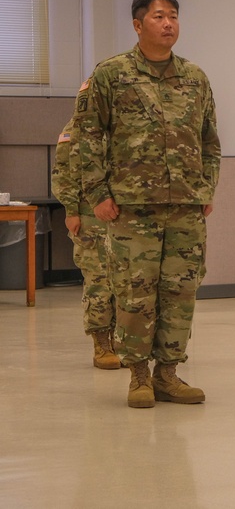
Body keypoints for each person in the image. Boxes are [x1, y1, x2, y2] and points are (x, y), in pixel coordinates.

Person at [75, 0, 221, 408]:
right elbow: (87, 137)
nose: (169, 23)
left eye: (173, 15)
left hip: (186, 208)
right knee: (136, 294)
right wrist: (97, 194)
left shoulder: (195, 77)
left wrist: (206, 187)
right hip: (131, 209)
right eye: (159, 16)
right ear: (138, 25)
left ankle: (168, 374)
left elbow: (209, 139)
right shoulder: (111, 74)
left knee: (181, 292)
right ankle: (138, 375)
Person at [50, 114, 119, 370]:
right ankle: (102, 343)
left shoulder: (125, 121)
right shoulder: (77, 126)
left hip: (123, 214)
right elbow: (64, 171)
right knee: (98, 279)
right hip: (90, 215)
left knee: (125, 282)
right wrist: (71, 210)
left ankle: (121, 340)